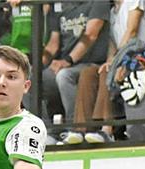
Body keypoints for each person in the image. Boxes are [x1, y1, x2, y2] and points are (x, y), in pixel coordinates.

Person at [63, 0, 145, 145]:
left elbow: (132, 31)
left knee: (107, 74)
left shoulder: (134, 2)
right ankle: (80, 130)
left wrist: (116, 60)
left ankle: (106, 130)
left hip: (139, 57)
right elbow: (112, 43)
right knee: (88, 73)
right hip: (119, 57)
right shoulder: (111, 12)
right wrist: (110, 60)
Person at [41, 0, 111, 142]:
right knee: (31, 79)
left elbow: (91, 34)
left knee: (64, 76)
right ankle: (49, 131)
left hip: (91, 63)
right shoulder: (58, 5)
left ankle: (75, 129)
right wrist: (36, 65)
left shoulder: (99, 2)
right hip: (65, 63)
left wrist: (67, 60)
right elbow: (53, 44)